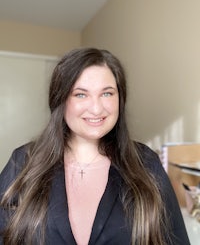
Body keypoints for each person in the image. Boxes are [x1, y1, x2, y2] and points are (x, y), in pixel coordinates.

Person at [0, 48, 190, 245]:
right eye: (81, 95)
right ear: (61, 99)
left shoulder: (146, 162)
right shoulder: (23, 161)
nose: (97, 108)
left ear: (120, 99)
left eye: (107, 93)